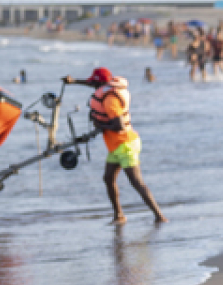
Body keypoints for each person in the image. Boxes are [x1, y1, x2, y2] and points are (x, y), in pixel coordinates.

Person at [63, 68, 167, 224]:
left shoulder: (110, 100)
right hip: (116, 145)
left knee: (136, 181)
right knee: (108, 178)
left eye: (94, 82)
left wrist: (100, 124)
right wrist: (74, 81)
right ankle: (119, 215)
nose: (92, 85)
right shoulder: (105, 90)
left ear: (101, 83)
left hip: (125, 144)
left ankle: (160, 217)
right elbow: (94, 84)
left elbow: (118, 125)